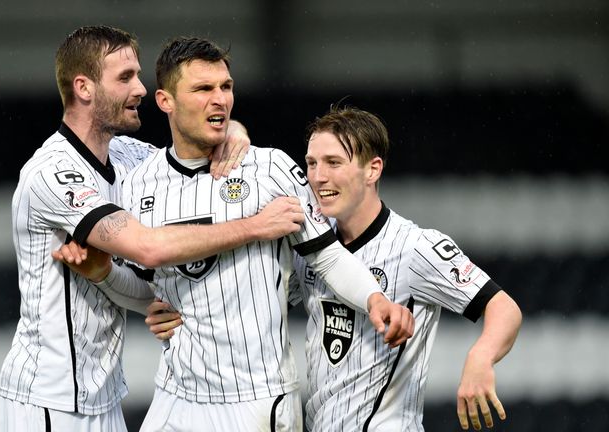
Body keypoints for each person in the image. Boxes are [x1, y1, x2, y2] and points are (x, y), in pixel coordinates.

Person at [0, 25, 307, 432]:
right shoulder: (52, 173)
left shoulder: (129, 158)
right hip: (46, 401)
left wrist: (233, 131)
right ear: (84, 88)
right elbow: (149, 249)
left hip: (103, 397)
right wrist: (256, 226)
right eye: (125, 78)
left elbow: (186, 154)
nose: (140, 89)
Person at [149, 106, 523, 431]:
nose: (318, 177)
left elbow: (504, 308)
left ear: (372, 169)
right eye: (311, 163)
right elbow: (248, 292)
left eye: (333, 163)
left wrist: (480, 357)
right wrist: (176, 314)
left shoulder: (415, 247)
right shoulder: (309, 246)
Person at [107, 36, 414, 432]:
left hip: (255, 399)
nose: (220, 99)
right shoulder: (138, 186)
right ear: (166, 101)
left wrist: (374, 298)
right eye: (203, 89)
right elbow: (144, 283)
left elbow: (328, 256)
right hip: (176, 392)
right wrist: (125, 290)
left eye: (226, 87)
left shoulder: (270, 169)